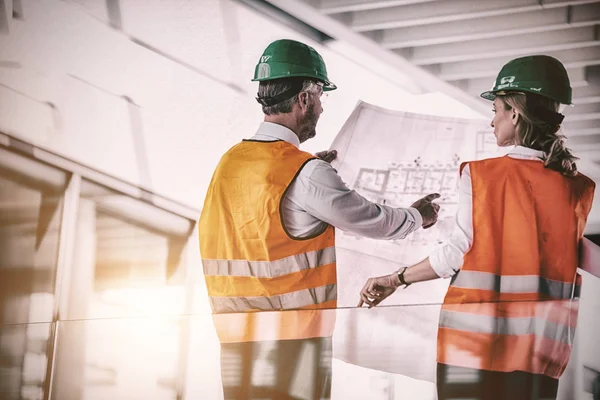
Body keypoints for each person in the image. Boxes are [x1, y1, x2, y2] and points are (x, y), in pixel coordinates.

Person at [198, 38, 440, 399]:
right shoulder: (305, 173)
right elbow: (371, 219)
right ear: (305, 98)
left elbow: (262, 226)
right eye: (321, 97)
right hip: (292, 348)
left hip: (236, 345)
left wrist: (310, 173)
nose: (323, 109)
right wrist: (417, 216)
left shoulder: (230, 163)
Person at [357, 55, 596, 400]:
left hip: (473, 349)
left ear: (515, 112)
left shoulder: (482, 176)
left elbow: (456, 254)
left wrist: (396, 278)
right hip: (540, 354)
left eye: (496, 109)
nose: (492, 121)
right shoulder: (578, 188)